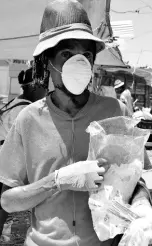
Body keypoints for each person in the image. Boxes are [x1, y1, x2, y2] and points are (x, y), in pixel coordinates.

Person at [0, 1, 151, 246]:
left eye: (86, 55)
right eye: (67, 54)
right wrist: (57, 180)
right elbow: (8, 199)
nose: (78, 63)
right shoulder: (27, 120)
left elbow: (136, 177)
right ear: (47, 60)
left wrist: (143, 203)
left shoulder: (113, 111)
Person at [0, 66, 48, 241]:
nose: (46, 92)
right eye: (44, 87)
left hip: (5, 157)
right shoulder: (25, 110)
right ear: (35, 87)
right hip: (8, 160)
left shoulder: (14, 102)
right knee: (4, 204)